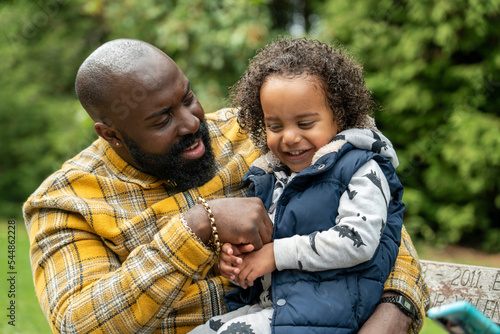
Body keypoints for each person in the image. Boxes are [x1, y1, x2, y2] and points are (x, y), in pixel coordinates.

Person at [23, 38, 429, 334]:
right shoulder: (64, 203)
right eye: (161, 120)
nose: (190, 124)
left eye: (188, 98)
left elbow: (378, 211)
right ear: (111, 135)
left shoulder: (257, 131)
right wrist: (198, 226)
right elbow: (82, 323)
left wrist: (395, 310)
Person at [191, 36, 415, 334]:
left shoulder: (361, 168)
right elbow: (270, 251)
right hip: (280, 308)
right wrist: (239, 263)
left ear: (341, 116)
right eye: (275, 126)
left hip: (329, 315)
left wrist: (273, 255)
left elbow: (356, 241)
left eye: (305, 123)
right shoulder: (272, 176)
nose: (290, 137)